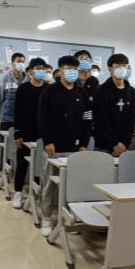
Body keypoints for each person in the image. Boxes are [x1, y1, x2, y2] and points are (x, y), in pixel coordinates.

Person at [38, 55, 92, 236]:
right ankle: (46, 216)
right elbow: (42, 118)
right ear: (60, 70)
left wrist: (84, 144)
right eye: (68, 68)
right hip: (54, 147)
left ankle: (70, 217)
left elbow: (87, 119)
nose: (72, 72)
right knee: (49, 184)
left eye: (75, 69)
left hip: (75, 147)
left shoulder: (82, 93)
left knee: (73, 184)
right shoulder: (50, 91)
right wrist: (48, 141)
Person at [12, 58, 48, 209]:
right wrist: (17, 133)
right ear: (31, 71)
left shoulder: (48, 88)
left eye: (43, 68)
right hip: (26, 132)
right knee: (22, 164)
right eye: (38, 68)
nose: (41, 71)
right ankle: (18, 192)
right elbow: (17, 111)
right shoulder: (23, 88)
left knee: (41, 165)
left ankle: (38, 193)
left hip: (43, 133)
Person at [93, 54, 135, 156]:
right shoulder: (101, 91)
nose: (122, 68)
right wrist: (114, 143)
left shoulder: (131, 91)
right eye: (118, 65)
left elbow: (132, 119)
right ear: (110, 69)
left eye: (124, 65)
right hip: (104, 146)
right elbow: (100, 120)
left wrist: (124, 144)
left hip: (124, 147)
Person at [0, 52, 29, 131]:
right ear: (13, 63)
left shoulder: (28, 79)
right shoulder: (5, 79)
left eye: (23, 62)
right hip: (7, 118)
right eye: (18, 61)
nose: (21, 64)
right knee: (6, 138)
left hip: (24, 118)